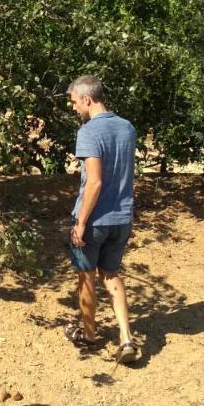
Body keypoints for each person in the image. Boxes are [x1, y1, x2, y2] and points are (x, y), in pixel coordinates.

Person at [65, 75, 141, 364]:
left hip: (96, 219)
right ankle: (126, 337)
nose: (74, 108)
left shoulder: (88, 132)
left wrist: (81, 221)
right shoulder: (127, 128)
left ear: (86, 99)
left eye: (74, 102)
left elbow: (94, 182)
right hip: (122, 216)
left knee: (85, 276)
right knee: (110, 274)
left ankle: (89, 335)